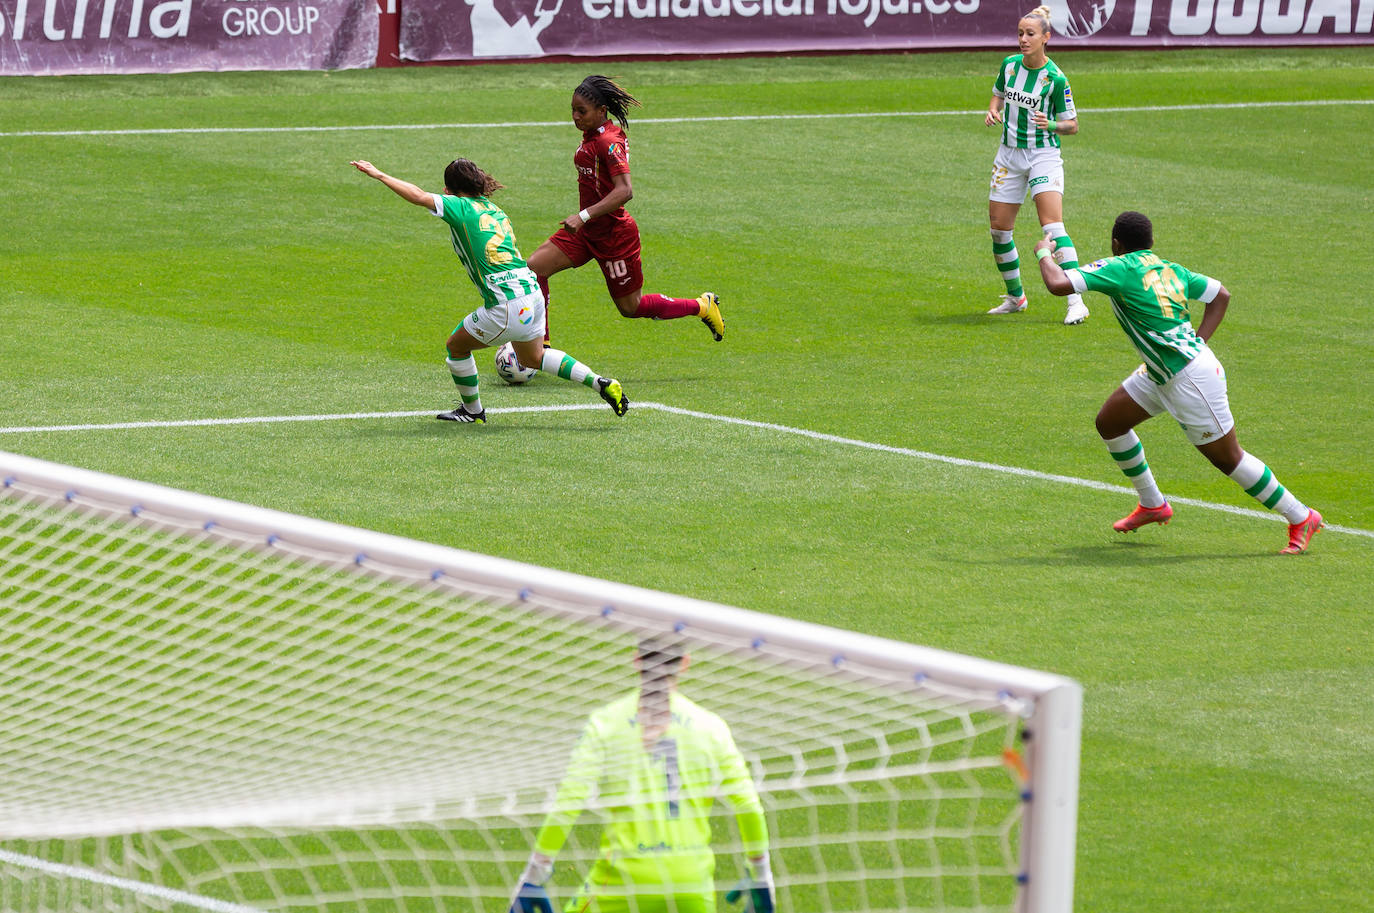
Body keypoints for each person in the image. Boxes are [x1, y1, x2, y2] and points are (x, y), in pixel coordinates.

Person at [1033, 211, 1323, 554]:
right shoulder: (1169, 268)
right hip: (1162, 373)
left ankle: (1301, 516)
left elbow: (1056, 284)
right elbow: (1221, 295)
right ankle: (1152, 504)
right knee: (1110, 422)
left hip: (1189, 378)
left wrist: (1043, 253)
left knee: (1228, 458)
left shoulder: (1120, 268)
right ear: (1151, 242)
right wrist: (1198, 341)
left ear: (1116, 244)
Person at [350, 157, 628, 424]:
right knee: (534, 357)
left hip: (505, 305)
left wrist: (380, 175)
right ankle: (600, 382)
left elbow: (419, 195)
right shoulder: (494, 210)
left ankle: (472, 412)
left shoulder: (459, 207)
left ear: (449, 191)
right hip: (532, 294)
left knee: (455, 347)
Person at [508, 636, 774, 913]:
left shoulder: (605, 723)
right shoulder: (711, 727)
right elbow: (748, 805)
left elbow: (569, 800)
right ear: (684, 664)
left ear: (637, 660)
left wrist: (534, 876)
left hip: (624, 882)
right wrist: (760, 875)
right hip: (691, 885)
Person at [525, 75, 726, 345]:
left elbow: (625, 190)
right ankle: (542, 345)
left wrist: (583, 216)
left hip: (613, 235)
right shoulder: (593, 136)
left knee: (631, 307)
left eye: (581, 111)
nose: (575, 116)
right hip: (587, 232)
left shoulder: (608, 142)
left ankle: (702, 305)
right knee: (533, 270)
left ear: (601, 111)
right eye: (572, 110)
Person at [984, 5, 1091, 326]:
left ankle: (1076, 301)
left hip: (1043, 156)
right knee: (999, 231)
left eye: (1030, 34)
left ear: (1046, 37)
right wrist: (993, 111)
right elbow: (998, 95)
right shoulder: (1009, 66)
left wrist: (1051, 125)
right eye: (1020, 33)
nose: (1023, 39)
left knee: (1053, 227)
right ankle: (1016, 297)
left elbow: (1072, 125)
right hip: (1008, 155)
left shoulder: (1056, 79)